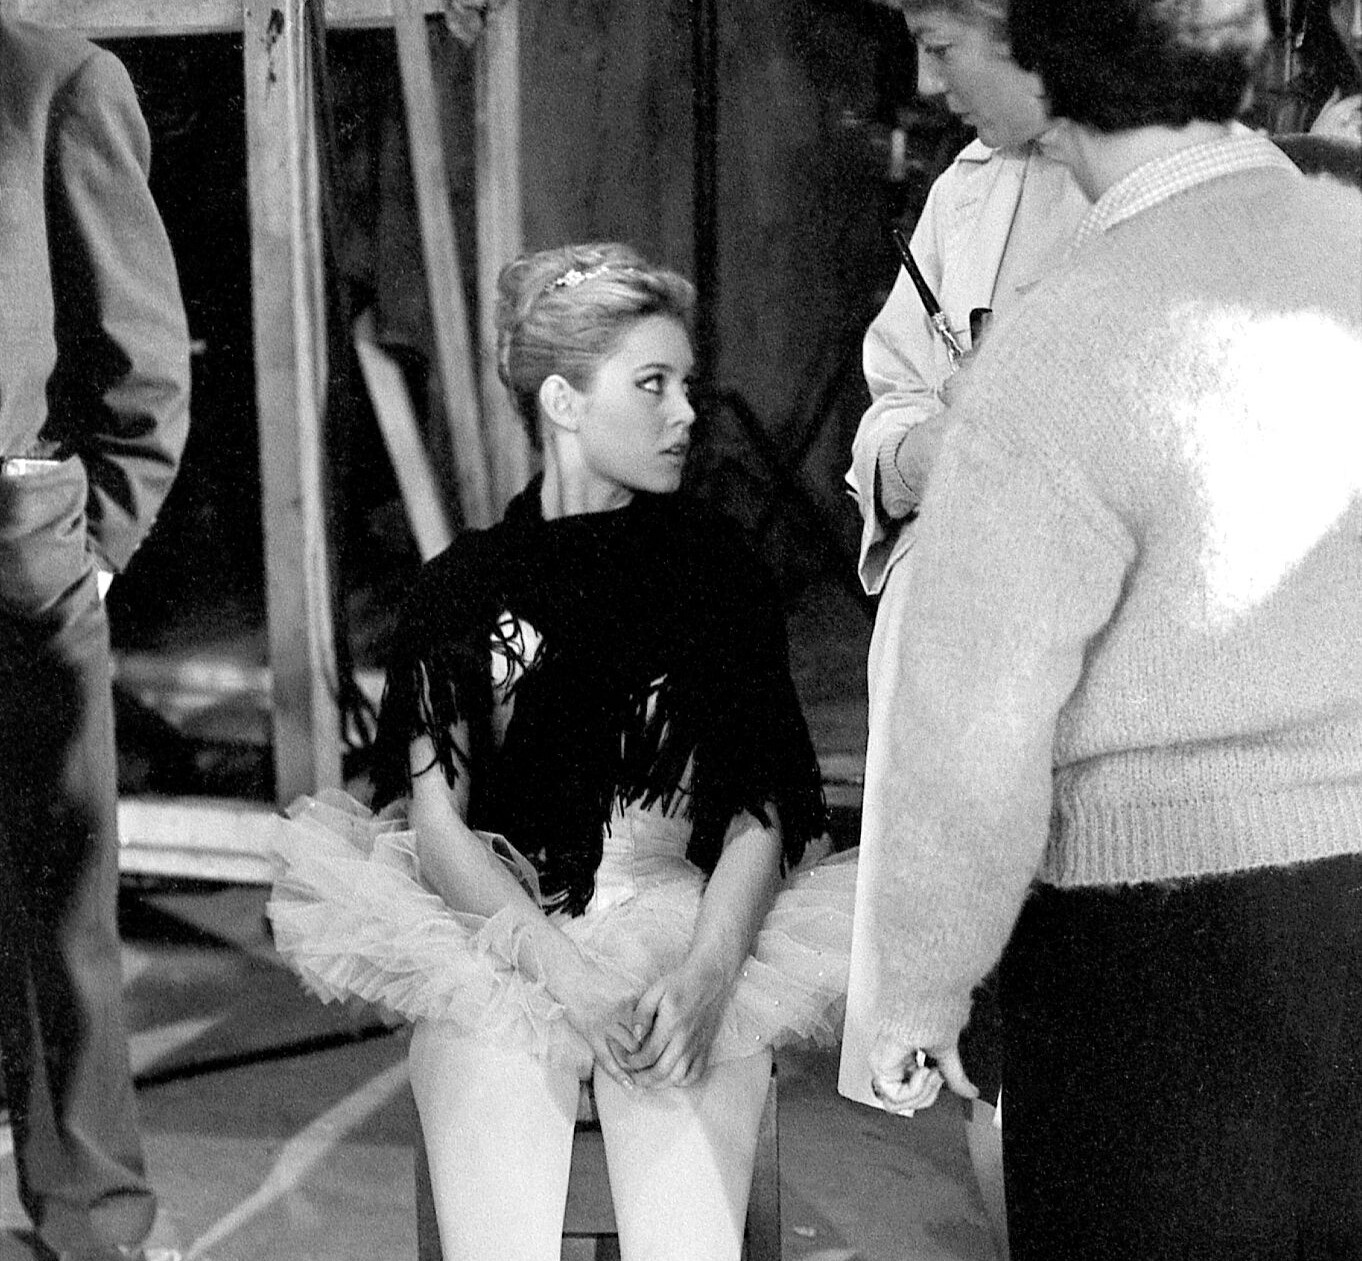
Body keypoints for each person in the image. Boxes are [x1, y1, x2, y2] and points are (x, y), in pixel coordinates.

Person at [859, 0, 1362, 1254]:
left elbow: (977, 721)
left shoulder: (1058, 344)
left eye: (952, 41)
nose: (937, 74)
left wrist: (923, 978)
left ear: (1045, 52)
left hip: (1148, 961)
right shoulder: (1349, 249)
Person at [269, 243, 855, 1261]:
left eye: (686, 385)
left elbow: (762, 805)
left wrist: (711, 973)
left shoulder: (717, 569)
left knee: (682, 1190)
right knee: (491, 1099)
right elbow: (440, 825)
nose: (686, 414)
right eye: (653, 384)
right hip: (504, 933)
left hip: (682, 920)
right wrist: (559, 974)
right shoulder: (462, 586)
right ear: (562, 402)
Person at [838, 2, 1088, 1253]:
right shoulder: (966, 191)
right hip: (968, 657)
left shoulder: (1154, 182)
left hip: (1099, 674)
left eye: (942, 48)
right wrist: (918, 454)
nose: (929, 86)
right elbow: (890, 397)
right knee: (994, 1036)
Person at [0, 17, 191, 1261]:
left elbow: (144, 361)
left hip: (15, 556)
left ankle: (92, 1223)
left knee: (53, 915)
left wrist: (87, 546)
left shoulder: (54, 82)